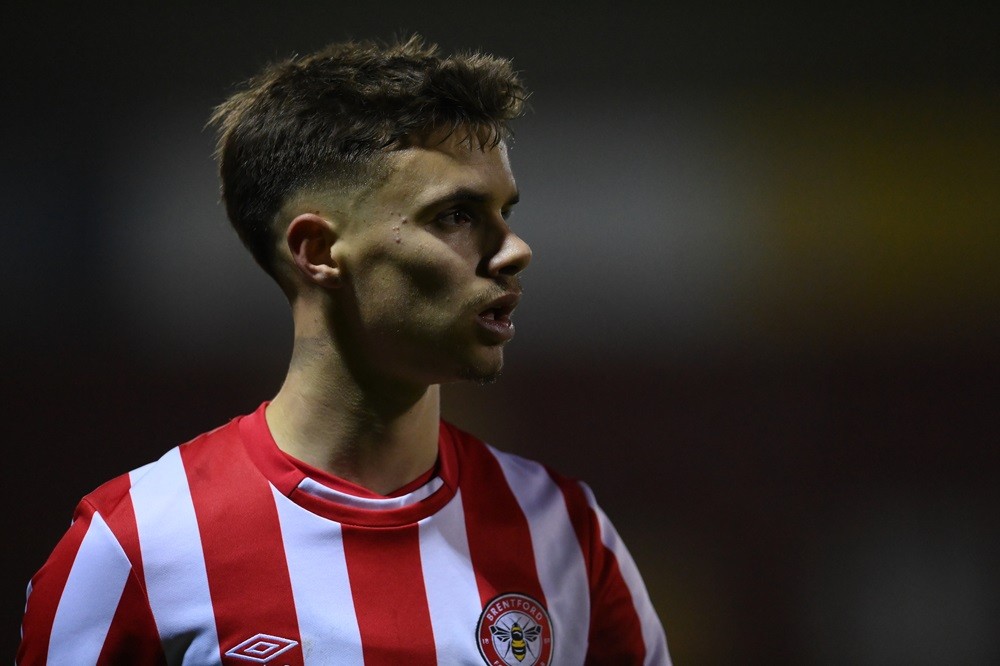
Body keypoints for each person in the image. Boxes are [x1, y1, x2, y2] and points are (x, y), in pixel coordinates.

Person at [18, 36, 670, 665]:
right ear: (320, 253)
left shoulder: (564, 533)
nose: (515, 249)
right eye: (455, 215)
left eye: (504, 211)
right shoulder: (137, 546)